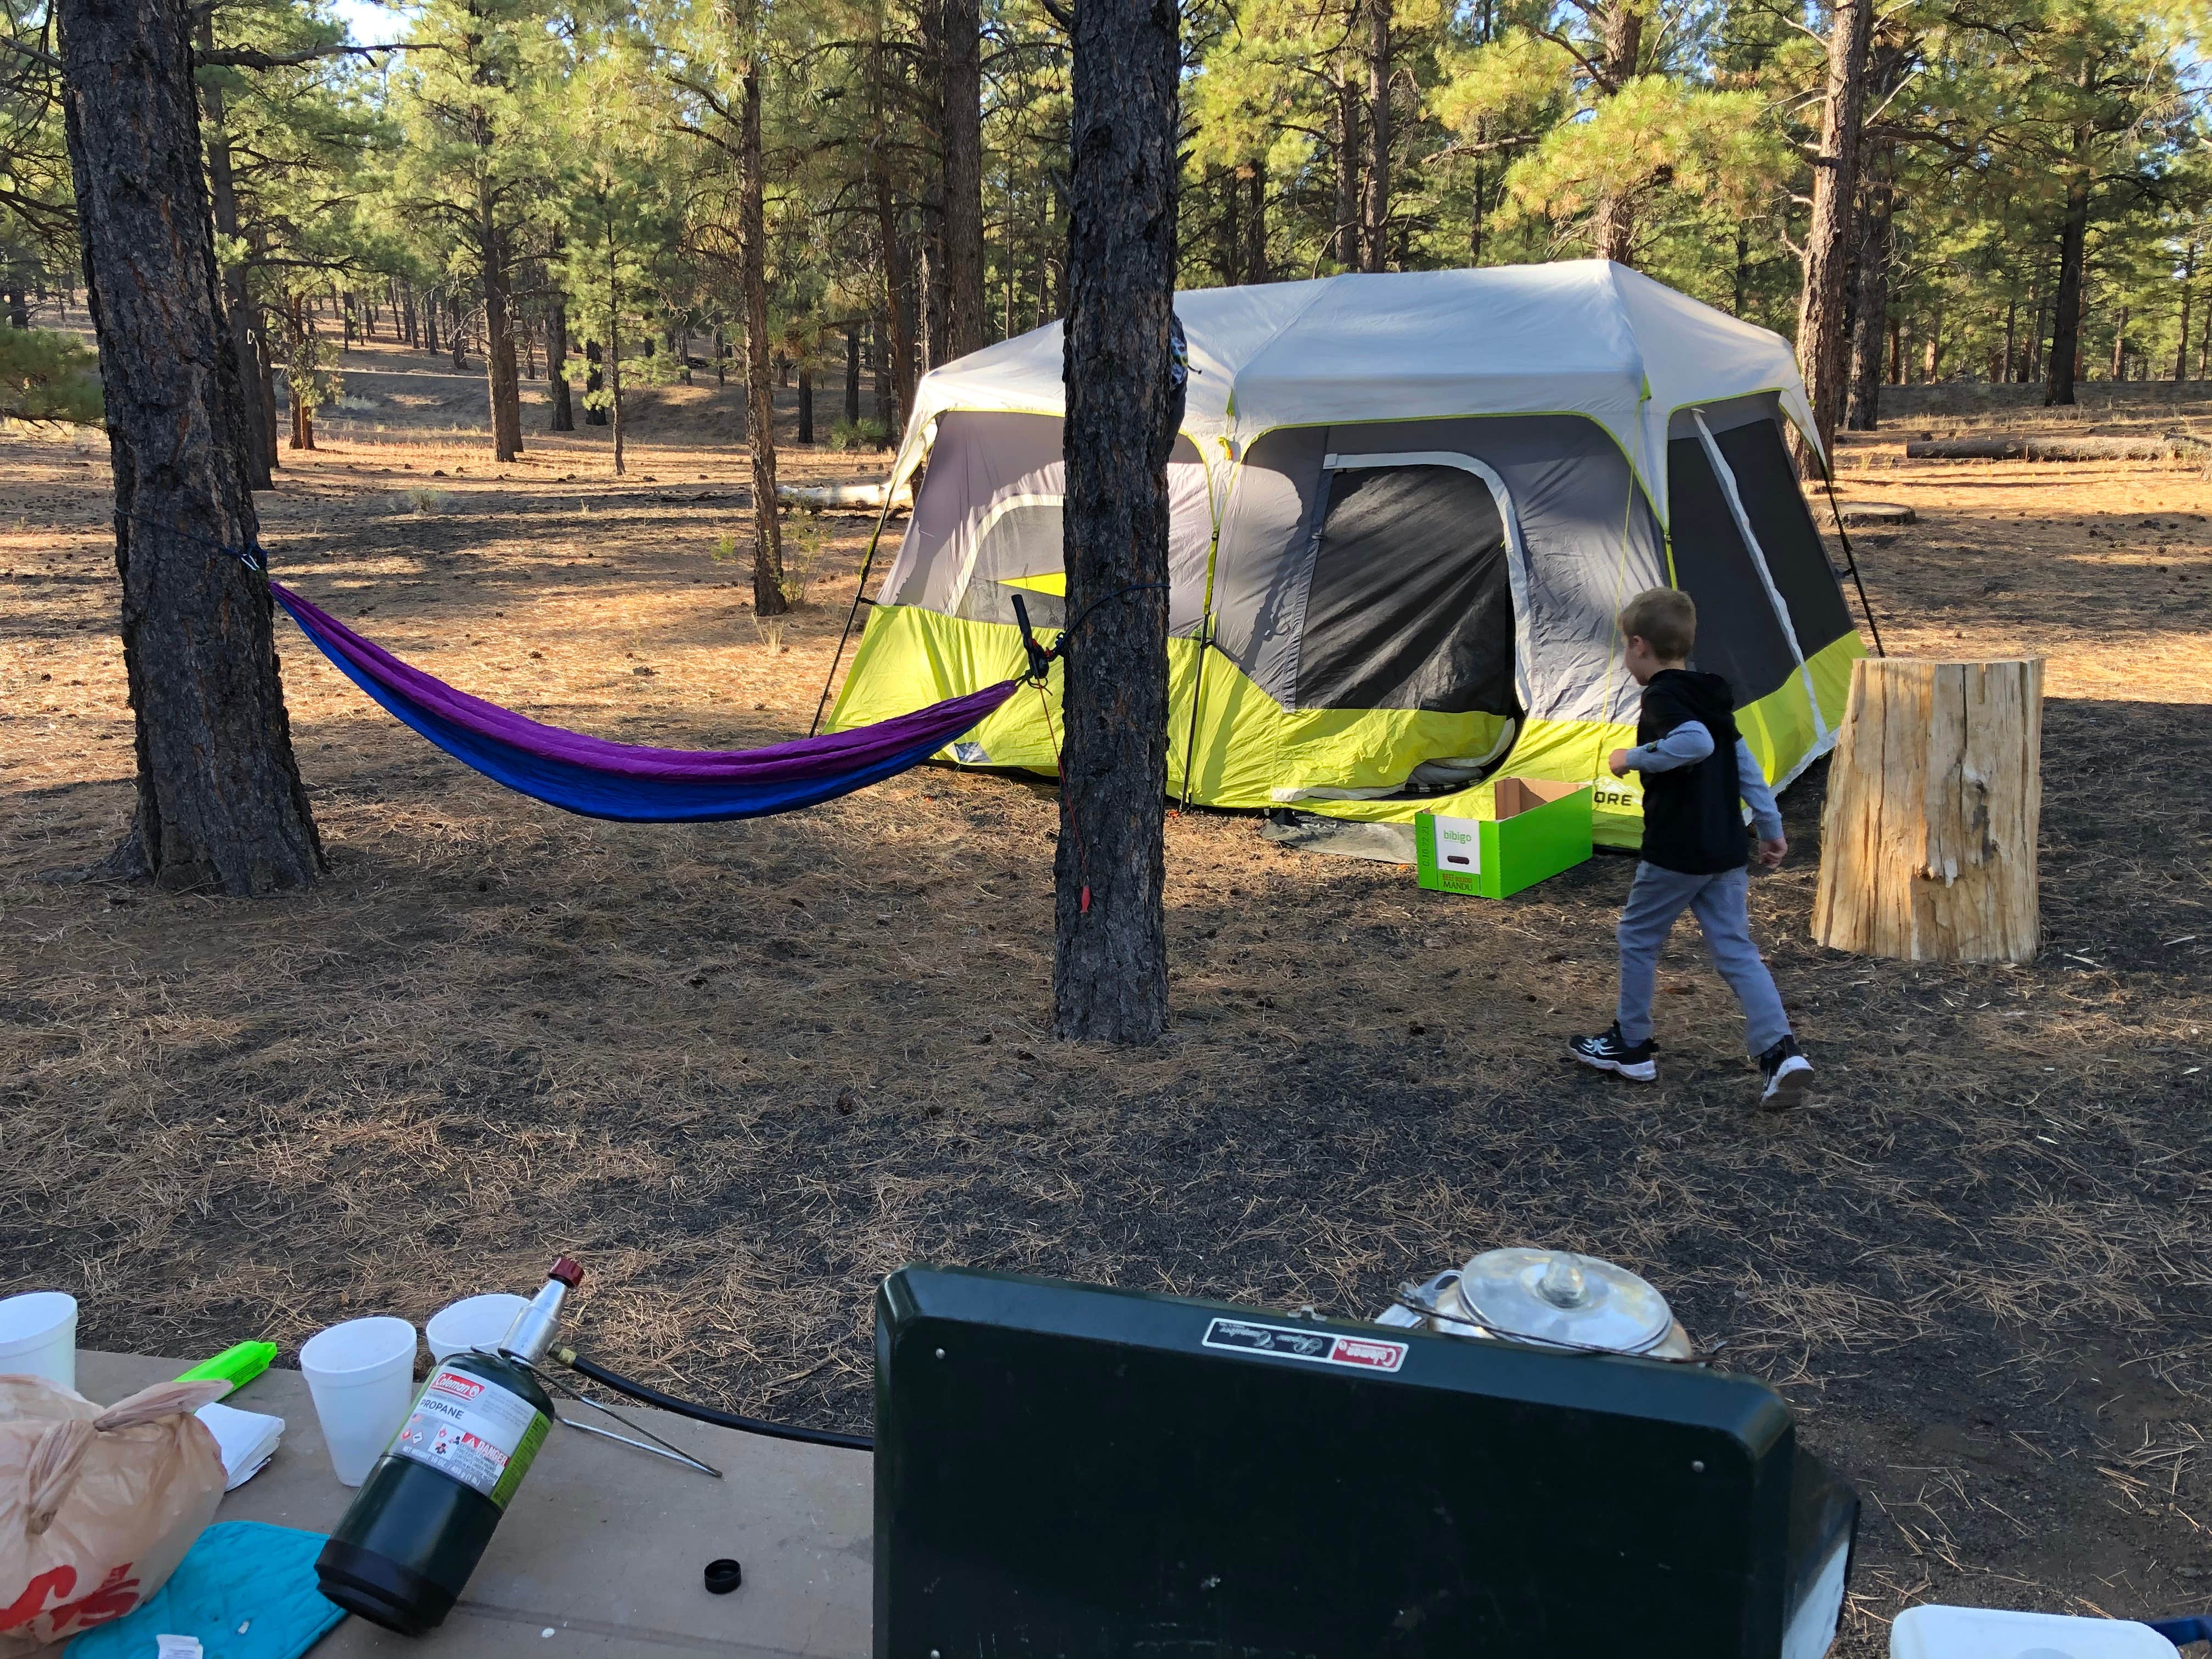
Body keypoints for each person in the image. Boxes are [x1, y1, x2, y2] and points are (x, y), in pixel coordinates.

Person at [1567, 588, 1814, 1108]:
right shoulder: (1711, 693)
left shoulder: (1662, 698)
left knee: (1638, 937)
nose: (1626, 657)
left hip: (1677, 849)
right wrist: (1770, 826)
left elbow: (1695, 743)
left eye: (1625, 647)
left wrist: (1632, 757)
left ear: (1639, 645)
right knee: (1736, 950)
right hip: (1725, 847)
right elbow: (1744, 765)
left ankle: (1631, 1045)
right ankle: (1780, 1053)